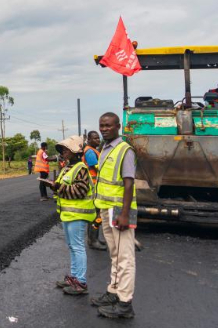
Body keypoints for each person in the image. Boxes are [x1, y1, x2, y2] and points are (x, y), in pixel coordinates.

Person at [91, 112, 137, 319]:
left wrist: (125, 214)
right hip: (106, 208)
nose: (104, 129)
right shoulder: (105, 148)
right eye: (101, 125)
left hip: (120, 211)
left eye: (108, 125)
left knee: (125, 258)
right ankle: (113, 292)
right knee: (115, 254)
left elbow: (129, 183)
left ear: (118, 126)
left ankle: (125, 304)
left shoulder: (125, 150)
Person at [48, 135, 95, 296]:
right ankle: (74, 278)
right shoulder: (68, 167)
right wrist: (55, 187)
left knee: (77, 247)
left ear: (75, 151)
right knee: (72, 246)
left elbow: (80, 191)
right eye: (62, 149)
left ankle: (80, 282)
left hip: (77, 215)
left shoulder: (80, 168)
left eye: (66, 149)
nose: (63, 152)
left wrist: (59, 188)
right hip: (68, 215)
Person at [83, 131, 106, 251]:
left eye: (98, 138)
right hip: (93, 187)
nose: (98, 140)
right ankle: (93, 240)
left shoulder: (92, 150)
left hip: (95, 186)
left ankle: (93, 239)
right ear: (89, 139)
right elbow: (96, 168)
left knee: (96, 214)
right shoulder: (90, 152)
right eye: (95, 138)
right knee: (96, 215)